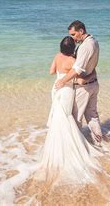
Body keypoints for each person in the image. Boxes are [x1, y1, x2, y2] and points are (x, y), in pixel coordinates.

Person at [35, 36, 101, 184]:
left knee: (59, 116)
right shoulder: (73, 61)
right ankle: (72, 146)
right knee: (67, 116)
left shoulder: (57, 56)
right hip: (67, 91)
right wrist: (92, 74)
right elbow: (80, 79)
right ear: (72, 49)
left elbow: (51, 71)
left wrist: (60, 72)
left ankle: (57, 146)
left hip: (56, 89)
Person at [55, 20, 102, 145]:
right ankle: (99, 142)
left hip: (83, 87)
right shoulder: (94, 41)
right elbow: (91, 64)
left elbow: (77, 69)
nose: (73, 38)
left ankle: (76, 147)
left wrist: (62, 81)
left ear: (81, 31)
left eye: (74, 34)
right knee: (92, 115)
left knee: (76, 118)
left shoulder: (85, 46)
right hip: (93, 84)